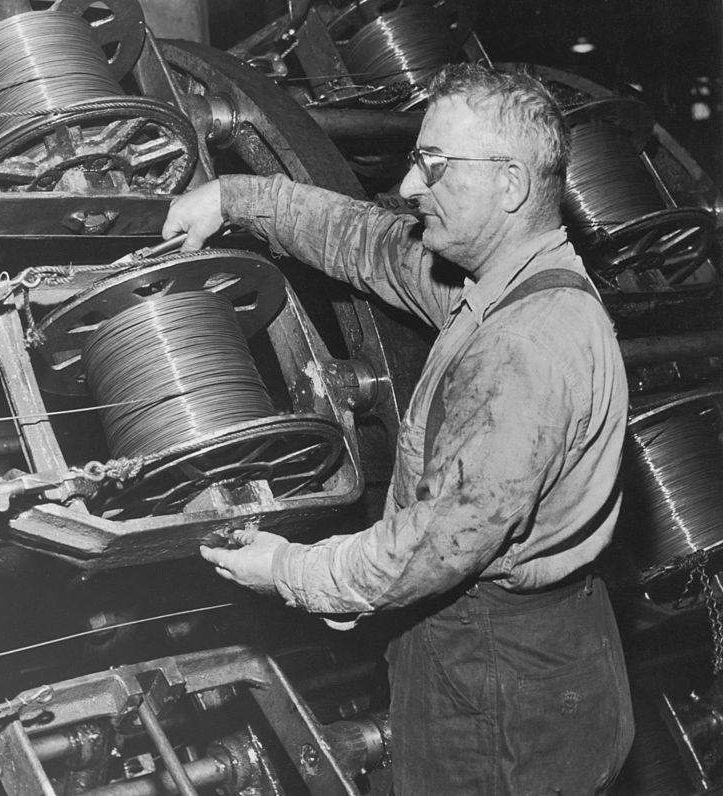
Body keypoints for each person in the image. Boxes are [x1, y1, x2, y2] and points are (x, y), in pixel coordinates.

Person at [162, 63, 634, 794]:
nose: (412, 187)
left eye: (433, 166)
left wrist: (289, 570)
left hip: (499, 683)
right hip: (534, 650)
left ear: (509, 184)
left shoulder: (523, 347)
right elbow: (368, 242)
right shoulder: (510, 286)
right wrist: (235, 198)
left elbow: (431, 549)